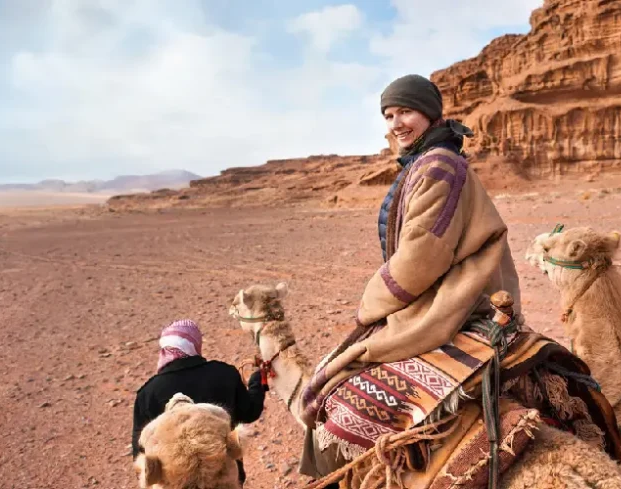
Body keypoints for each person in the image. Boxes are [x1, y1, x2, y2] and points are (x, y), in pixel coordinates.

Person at [298, 74, 522, 478]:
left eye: (405, 111)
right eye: (388, 115)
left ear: (430, 114)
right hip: (437, 291)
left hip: (456, 298)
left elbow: (422, 255)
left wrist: (371, 304)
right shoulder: (430, 160)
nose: (396, 123)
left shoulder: (439, 165)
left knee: (334, 392)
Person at [132, 319, 267, 485]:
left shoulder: (147, 394)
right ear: (195, 345)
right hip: (224, 481)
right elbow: (250, 411)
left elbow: (141, 457)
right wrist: (257, 381)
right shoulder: (223, 373)